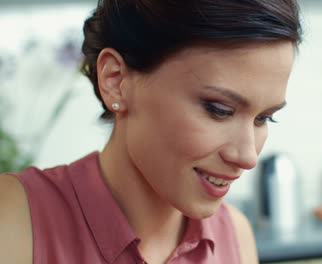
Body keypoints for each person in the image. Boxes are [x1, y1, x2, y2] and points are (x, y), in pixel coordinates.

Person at [0, 0, 302, 263]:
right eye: (218, 110)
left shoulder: (234, 236)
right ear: (116, 80)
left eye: (263, 118)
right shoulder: (13, 218)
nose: (248, 156)